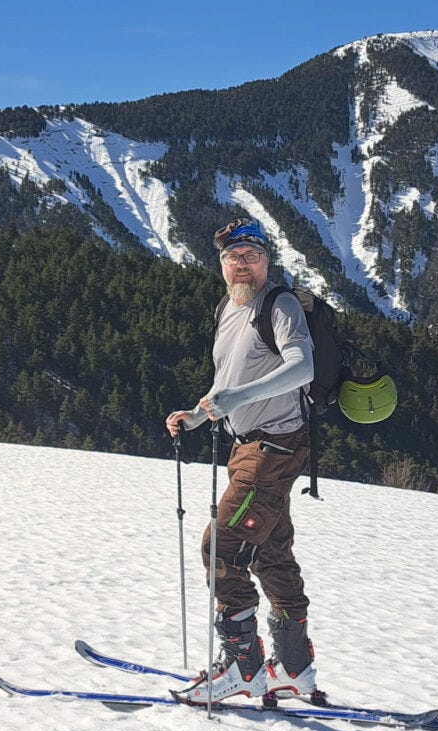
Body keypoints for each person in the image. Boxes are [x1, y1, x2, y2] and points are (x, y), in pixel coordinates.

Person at [165, 219, 319, 703]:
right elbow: (227, 380)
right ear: (221, 264)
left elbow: (303, 367)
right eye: (234, 256)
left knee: (222, 547)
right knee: (271, 553)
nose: (242, 264)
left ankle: (243, 666)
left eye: (252, 255)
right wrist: (195, 417)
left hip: (274, 447)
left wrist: (240, 398)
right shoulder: (228, 308)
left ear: (267, 260)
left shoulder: (280, 305)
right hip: (246, 446)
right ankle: (294, 668)